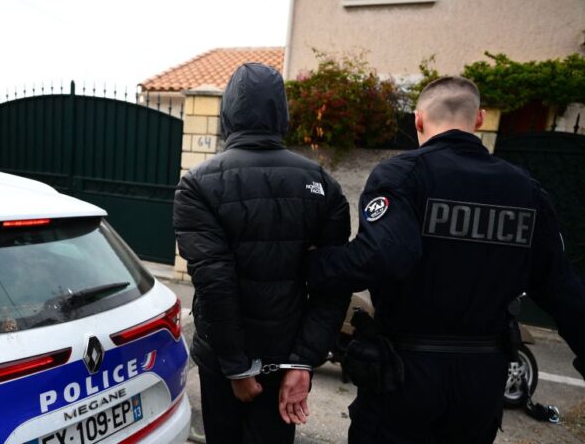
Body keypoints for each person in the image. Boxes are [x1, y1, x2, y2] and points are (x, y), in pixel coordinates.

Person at [299, 76, 585, 443]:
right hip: (481, 383)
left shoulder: (403, 175)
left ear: (418, 120)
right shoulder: (525, 189)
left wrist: (313, 264)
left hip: (405, 376)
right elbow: (562, 288)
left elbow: (383, 256)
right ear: (479, 119)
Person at [173, 62, 352, 444]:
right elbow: (333, 285)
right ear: (281, 113)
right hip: (282, 357)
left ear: (227, 112)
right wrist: (303, 360)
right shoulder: (322, 183)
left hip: (226, 365)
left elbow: (214, 283)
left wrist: (237, 368)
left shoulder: (196, 185)